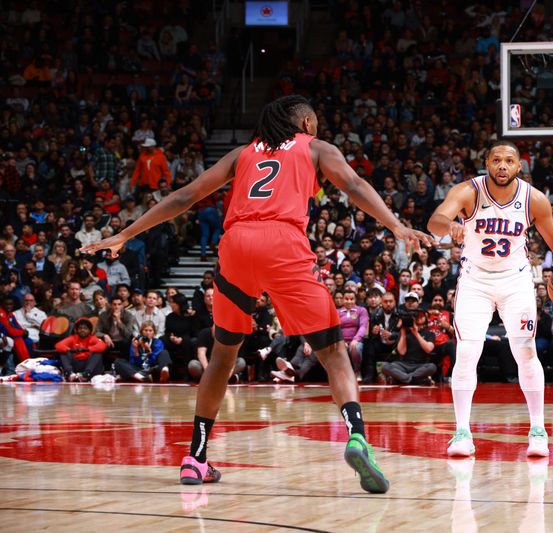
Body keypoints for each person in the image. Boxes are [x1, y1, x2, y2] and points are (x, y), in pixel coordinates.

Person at [80, 94, 432, 494]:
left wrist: (126, 233)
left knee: (222, 355)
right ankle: (356, 436)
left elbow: (185, 196)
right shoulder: (317, 148)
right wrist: (397, 226)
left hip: (236, 245)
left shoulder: (240, 154)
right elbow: (352, 184)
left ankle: (195, 457)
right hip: (282, 242)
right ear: (306, 123)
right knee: (333, 352)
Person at [428, 140, 553, 458]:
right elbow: (434, 220)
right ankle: (462, 432)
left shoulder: (534, 199)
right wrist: (450, 226)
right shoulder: (468, 191)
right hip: (474, 281)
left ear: (519, 166)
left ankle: (537, 430)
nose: (502, 166)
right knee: (466, 353)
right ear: (486, 163)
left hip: (516, 281)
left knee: (525, 351)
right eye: (496, 160)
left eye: (508, 161)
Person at [380, 309, 437, 385]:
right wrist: (403, 333)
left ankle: (402, 379)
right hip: (403, 365)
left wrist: (416, 333)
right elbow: (402, 352)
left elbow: (428, 349)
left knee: (432, 367)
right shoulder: (405, 332)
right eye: (416, 316)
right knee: (384, 366)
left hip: (420, 365)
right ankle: (415, 380)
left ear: (426, 318)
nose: (419, 318)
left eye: (421, 316)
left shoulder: (429, 334)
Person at [55, 316, 107, 382]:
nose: (82, 330)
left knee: (98, 352)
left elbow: (103, 345)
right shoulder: (73, 338)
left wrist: (88, 349)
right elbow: (58, 345)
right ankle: (70, 373)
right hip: (76, 365)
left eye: (85, 328)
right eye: (80, 328)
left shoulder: (92, 338)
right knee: (63, 351)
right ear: (77, 330)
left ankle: (85, 374)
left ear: (89, 330)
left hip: (90, 367)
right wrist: (69, 350)